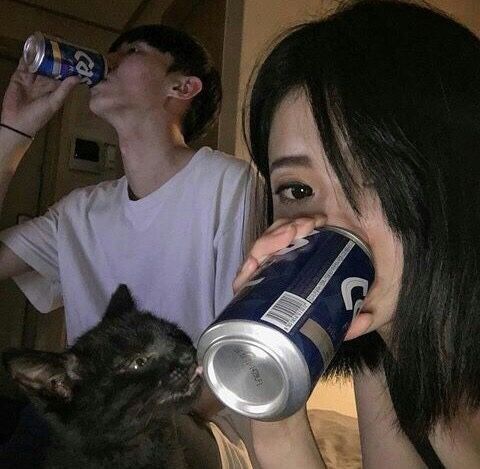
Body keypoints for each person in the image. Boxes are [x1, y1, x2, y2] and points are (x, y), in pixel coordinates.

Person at [233, 1, 480, 467]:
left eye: (372, 174)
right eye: (298, 189)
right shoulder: (385, 357)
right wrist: (273, 402)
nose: (331, 226)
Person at [0, 25, 254, 467]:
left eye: (132, 51)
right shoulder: (78, 213)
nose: (109, 61)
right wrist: (13, 131)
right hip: (96, 427)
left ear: (182, 87)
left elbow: (241, 357)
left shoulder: (230, 185)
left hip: (197, 429)